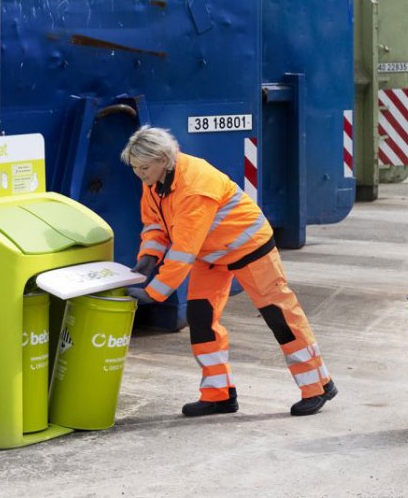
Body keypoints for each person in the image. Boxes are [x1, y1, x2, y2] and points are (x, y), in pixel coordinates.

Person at [121, 125, 337, 417]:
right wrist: (146, 261)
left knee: (280, 316)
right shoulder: (155, 182)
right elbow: (156, 225)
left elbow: (183, 251)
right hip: (211, 253)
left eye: (144, 167)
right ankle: (218, 395)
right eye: (135, 168)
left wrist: (154, 292)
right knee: (201, 317)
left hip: (250, 247)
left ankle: (318, 386)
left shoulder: (194, 185)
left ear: (164, 158)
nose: (139, 174)